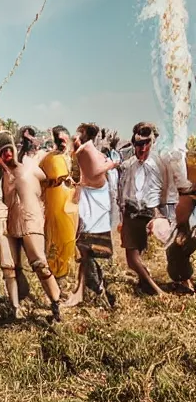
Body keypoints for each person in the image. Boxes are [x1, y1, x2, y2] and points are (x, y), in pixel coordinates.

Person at [0, 131, 61, 321]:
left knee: (39, 263)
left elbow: (50, 180)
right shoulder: (2, 176)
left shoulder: (30, 168)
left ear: (15, 150)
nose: (7, 155)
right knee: (9, 267)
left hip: (31, 220)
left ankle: (56, 305)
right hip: (11, 222)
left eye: (9, 150)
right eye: (3, 152)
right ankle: (15, 308)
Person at [65, 123, 118, 307]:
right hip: (92, 197)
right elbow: (94, 172)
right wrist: (112, 163)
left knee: (89, 248)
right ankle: (83, 291)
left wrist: (107, 162)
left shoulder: (88, 149)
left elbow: (93, 171)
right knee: (86, 247)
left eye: (79, 133)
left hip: (97, 198)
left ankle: (89, 291)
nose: (76, 136)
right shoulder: (85, 150)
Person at [118, 122, 165, 296]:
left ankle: (153, 286)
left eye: (147, 144)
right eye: (139, 144)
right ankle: (152, 286)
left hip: (150, 214)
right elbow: (121, 192)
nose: (143, 148)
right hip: (131, 212)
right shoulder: (127, 165)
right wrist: (122, 216)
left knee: (139, 255)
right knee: (131, 259)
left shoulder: (158, 165)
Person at [40, 126, 78, 282]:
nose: (61, 143)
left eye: (63, 140)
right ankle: (55, 273)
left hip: (71, 201)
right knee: (54, 236)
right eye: (58, 140)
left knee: (69, 237)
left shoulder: (75, 157)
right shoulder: (48, 158)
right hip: (54, 202)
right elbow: (40, 179)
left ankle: (67, 271)